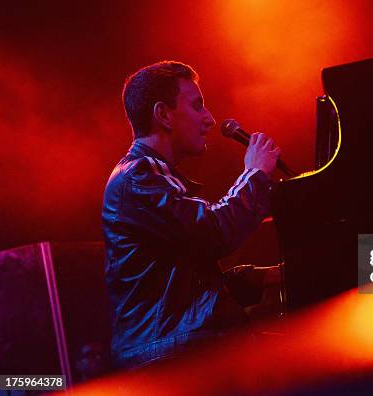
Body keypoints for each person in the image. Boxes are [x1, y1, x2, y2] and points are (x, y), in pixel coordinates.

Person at [102, 60, 280, 370]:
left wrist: (276, 275)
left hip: (181, 345)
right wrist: (254, 173)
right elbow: (213, 233)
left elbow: (186, 282)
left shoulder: (152, 176)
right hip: (168, 356)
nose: (210, 119)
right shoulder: (139, 176)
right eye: (197, 106)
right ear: (163, 114)